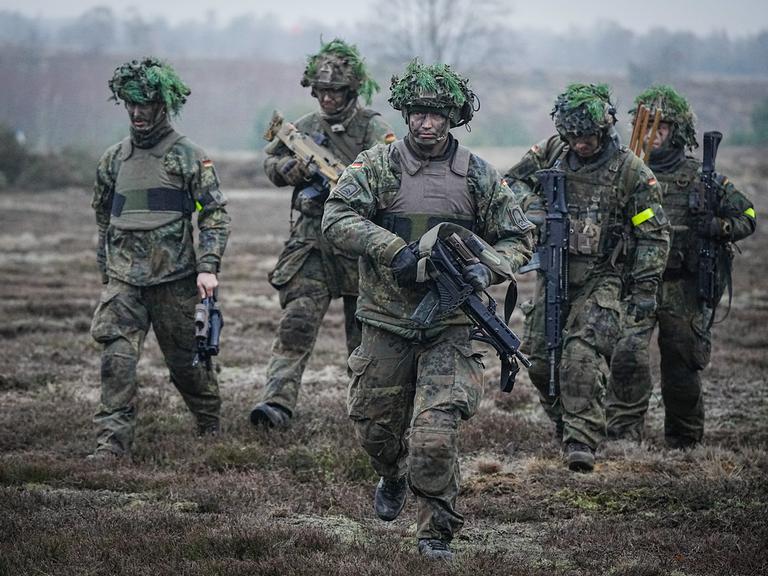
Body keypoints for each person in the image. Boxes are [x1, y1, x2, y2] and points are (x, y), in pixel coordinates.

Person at [322, 59, 534, 560]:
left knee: (435, 436)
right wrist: (391, 249)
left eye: (438, 114)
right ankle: (392, 475)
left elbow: (519, 236)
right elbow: (336, 216)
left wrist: (489, 267)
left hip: (451, 326)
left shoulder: (479, 174)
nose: (426, 123)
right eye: (418, 112)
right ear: (405, 113)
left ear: (454, 117)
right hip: (385, 321)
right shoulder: (378, 164)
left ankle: (435, 532)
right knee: (376, 429)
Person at [504, 83, 670, 472]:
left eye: (588, 136)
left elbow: (654, 234)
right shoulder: (550, 152)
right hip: (553, 272)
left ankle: (581, 441)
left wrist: (644, 289)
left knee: (579, 357)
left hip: (603, 279)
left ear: (605, 129)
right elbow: (510, 184)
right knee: (541, 360)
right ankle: (566, 425)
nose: (581, 144)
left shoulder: (630, 172)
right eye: (573, 136)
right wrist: (534, 209)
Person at [89, 58, 231, 459]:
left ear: (163, 104)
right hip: (124, 283)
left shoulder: (188, 157)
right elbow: (104, 216)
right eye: (130, 104)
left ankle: (209, 423)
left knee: (188, 366)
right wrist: (108, 269)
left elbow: (215, 213)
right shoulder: (113, 160)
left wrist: (208, 266)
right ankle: (110, 445)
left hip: (174, 280)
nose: (137, 113)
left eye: (145, 104)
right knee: (116, 359)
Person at [249, 38, 395, 429]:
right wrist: (291, 171)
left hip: (357, 246)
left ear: (351, 91)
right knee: (295, 325)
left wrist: (354, 184)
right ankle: (276, 405)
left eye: (335, 91)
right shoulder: (305, 129)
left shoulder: (372, 128)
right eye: (322, 91)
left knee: (363, 339)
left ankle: (369, 415)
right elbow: (272, 162)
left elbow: (394, 174)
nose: (328, 98)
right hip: (311, 245)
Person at [606, 85, 756, 448]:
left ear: (678, 133)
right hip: (637, 282)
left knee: (682, 365)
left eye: (663, 129)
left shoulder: (701, 179)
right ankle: (623, 436)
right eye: (648, 128)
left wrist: (718, 227)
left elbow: (747, 215)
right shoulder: (626, 174)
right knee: (625, 356)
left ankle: (683, 441)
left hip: (683, 287)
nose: (653, 136)